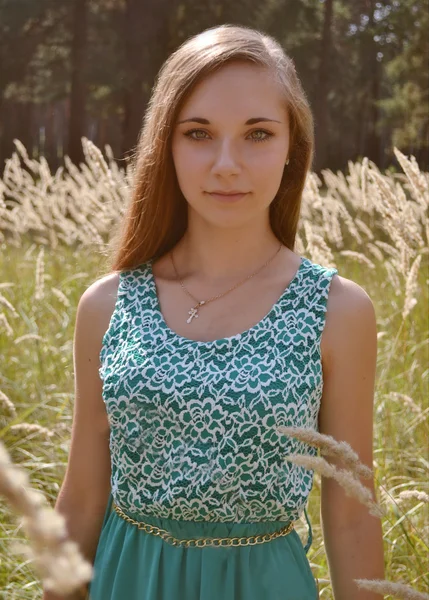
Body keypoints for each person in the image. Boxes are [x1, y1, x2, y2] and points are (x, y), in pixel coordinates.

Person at [44, 24, 384, 600]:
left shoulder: (339, 310)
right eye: (199, 133)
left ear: (292, 148)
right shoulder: (107, 305)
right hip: (131, 583)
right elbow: (81, 499)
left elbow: (351, 518)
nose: (227, 163)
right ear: (166, 145)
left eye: (257, 134)